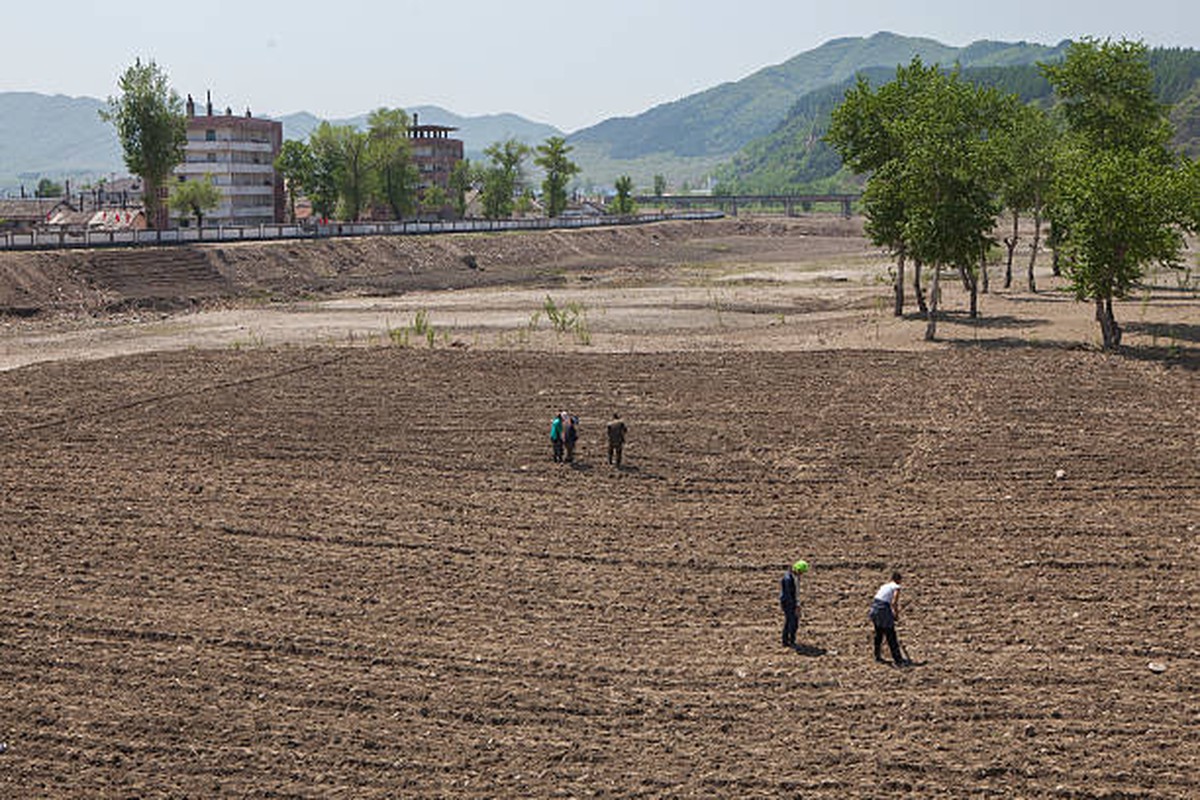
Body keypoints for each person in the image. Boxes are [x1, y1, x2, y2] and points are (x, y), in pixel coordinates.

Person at [869, 571, 910, 666]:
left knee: (879, 633)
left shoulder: (884, 586)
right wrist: (896, 614)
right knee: (891, 635)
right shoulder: (896, 587)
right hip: (884, 609)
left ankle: (877, 656)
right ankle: (898, 660)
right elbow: (894, 602)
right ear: (898, 580)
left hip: (875, 608)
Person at [780, 560, 808, 648]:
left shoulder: (795, 577)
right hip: (788, 603)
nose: (801, 574)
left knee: (794, 622)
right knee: (790, 621)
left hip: (794, 603)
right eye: (801, 572)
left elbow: (796, 592)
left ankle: (791, 639)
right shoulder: (788, 579)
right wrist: (795, 606)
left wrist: (798, 604)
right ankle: (786, 641)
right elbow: (789, 595)